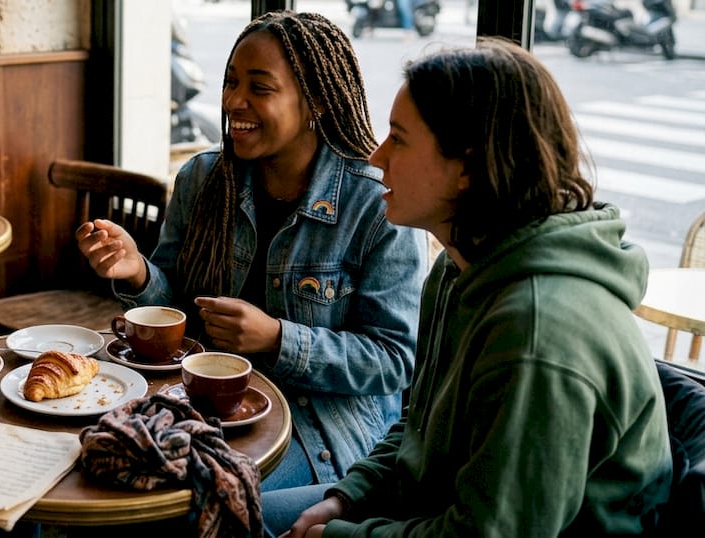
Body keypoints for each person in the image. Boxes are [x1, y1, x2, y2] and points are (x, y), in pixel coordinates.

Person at [264, 38, 673, 536]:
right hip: (426, 507)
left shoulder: (534, 331)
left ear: (468, 167)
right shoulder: (460, 265)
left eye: (399, 139)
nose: (376, 155)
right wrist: (348, 498)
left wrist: (340, 536)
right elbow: (419, 426)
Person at [77, 10, 427, 491]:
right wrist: (138, 272)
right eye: (230, 82)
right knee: (95, 464)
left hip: (318, 429)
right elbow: (176, 314)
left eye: (259, 87)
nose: (232, 101)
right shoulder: (203, 179)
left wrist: (278, 339)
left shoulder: (374, 202)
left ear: (316, 100)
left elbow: (394, 359)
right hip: (199, 404)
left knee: (192, 498)